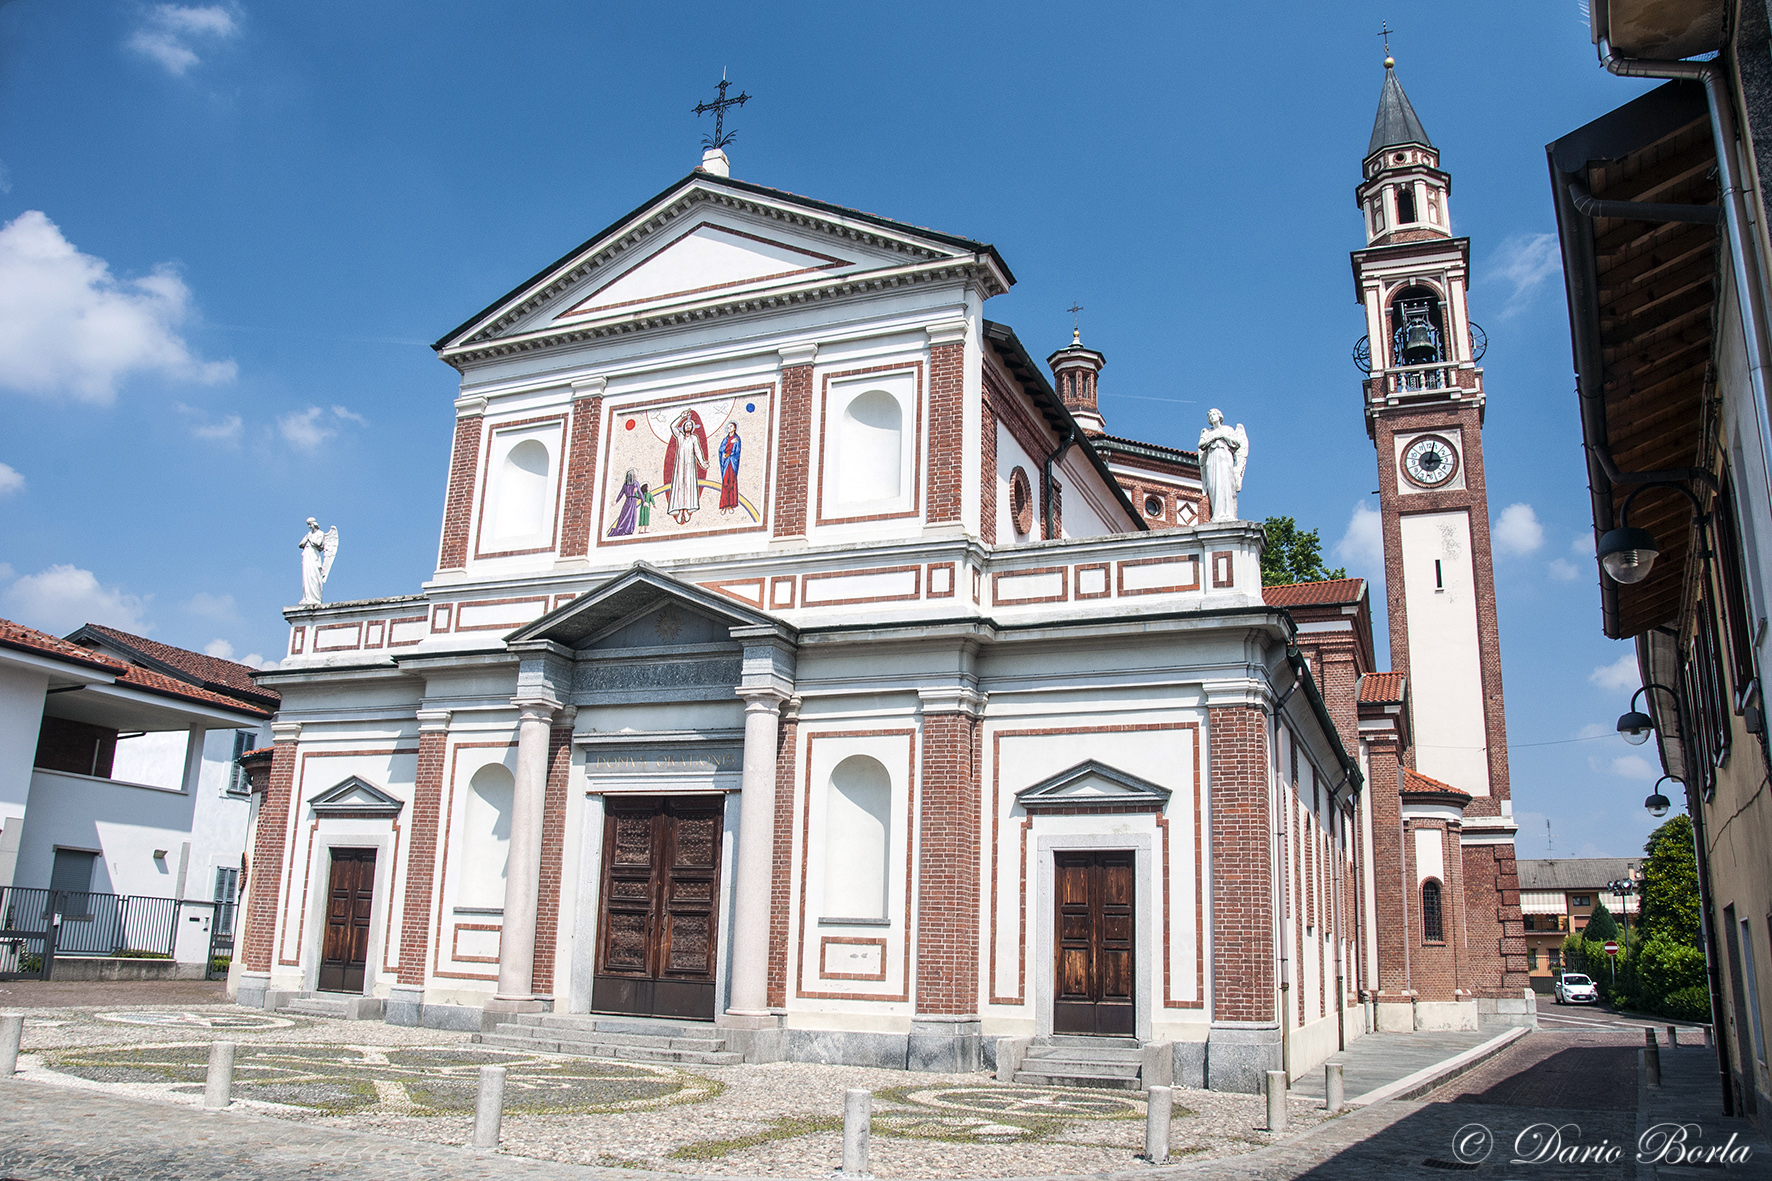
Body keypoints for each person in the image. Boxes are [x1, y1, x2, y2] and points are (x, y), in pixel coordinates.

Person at [1198, 409, 1249, 523]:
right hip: (1212, 460)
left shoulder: (1228, 429)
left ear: (1219, 416)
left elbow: (1236, 443)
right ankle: (1217, 514)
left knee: (1226, 484)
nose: (1212, 417)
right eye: (1210, 416)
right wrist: (1215, 437)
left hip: (1225, 458)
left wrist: (1223, 436)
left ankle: (1228, 514)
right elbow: (1201, 445)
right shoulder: (1207, 432)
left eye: (1214, 414)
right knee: (1214, 485)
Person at [664, 410, 708, 525]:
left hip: (690, 466)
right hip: (680, 466)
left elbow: (697, 451)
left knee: (688, 486)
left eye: (690, 425)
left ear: (692, 428)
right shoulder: (679, 437)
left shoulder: (694, 438)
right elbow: (672, 426)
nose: (688, 426)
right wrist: (681, 417)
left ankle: (686, 510)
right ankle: (679, 511)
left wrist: (702, 462)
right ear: (683, 427)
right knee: (679, 487)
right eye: (686, 425)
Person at [608, 469, 641, 537]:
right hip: (632, 500)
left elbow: (621, 494)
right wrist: (643, 501)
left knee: (625, 515)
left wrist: (616, 501)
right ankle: (628, 530)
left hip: (628, 501)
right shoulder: (635, 483)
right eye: (635, 474)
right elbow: (640, 493)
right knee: (631, 515)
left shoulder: (625, 485)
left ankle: (623, 529)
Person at [718, 423, 741, 513]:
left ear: (735, 428)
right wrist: (723, 454)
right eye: (728, 427)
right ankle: (724, 505)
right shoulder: (726, 440)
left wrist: (729, 455)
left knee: (732, 482)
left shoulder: (737, 439)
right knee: (725, 483)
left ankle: (731, 505)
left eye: (731, 426)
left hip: (732, 462)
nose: (729, 428)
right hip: (726, 463)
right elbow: (721, 450)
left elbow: (737, 452)